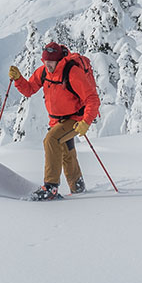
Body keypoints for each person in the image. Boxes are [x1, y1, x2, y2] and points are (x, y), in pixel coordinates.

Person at [9, 42, 100, 200]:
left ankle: (50, 188)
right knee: (66, 151)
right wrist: (18, 79)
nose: (48, 64)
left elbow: (92, 98)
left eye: (51, 62)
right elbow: (29, 89)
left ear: (59, 60)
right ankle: (77, 186)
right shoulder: (44, 72)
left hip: (75, 119)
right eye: (45, 61)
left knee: (51, 140)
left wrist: (86, 121)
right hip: (56, 121)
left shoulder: (72, 72)